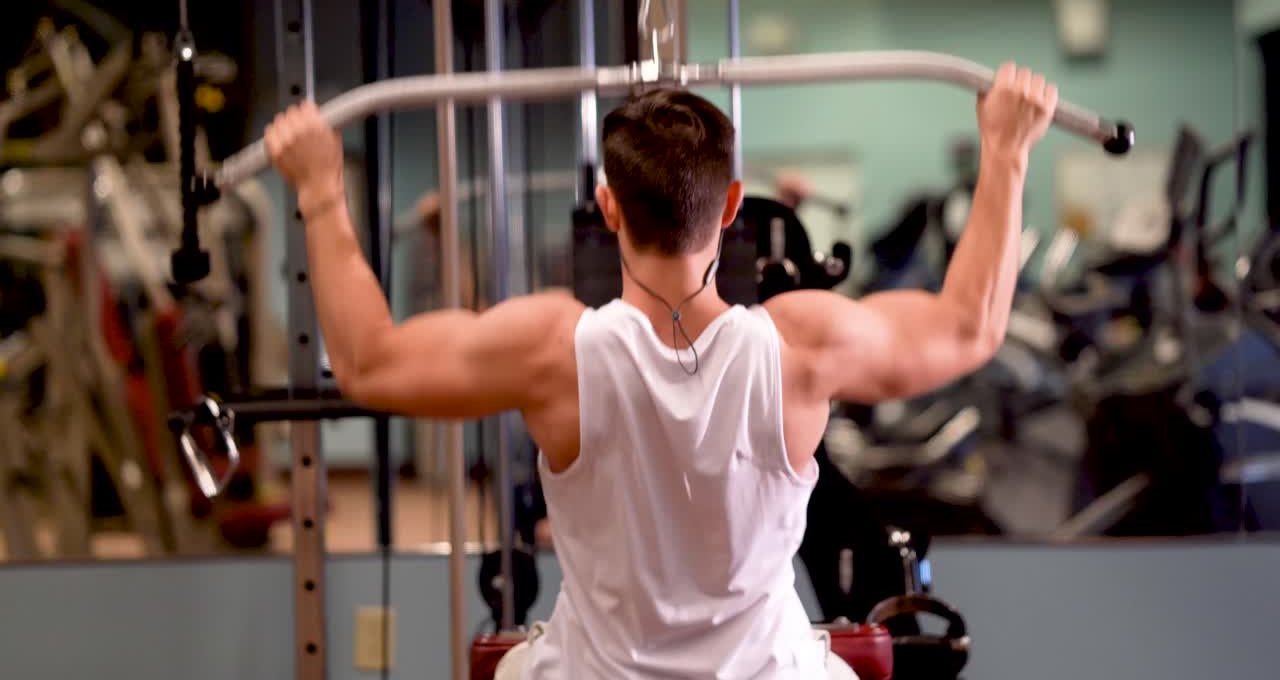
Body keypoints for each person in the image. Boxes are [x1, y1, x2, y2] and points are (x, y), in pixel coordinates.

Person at [263, 61, 1058, 679]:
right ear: (734, 204)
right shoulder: (801, 343)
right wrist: (1008, 153)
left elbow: (368, 363)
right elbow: (968, 327)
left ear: (608, 208)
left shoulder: (551, 349)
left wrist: (323, 195)